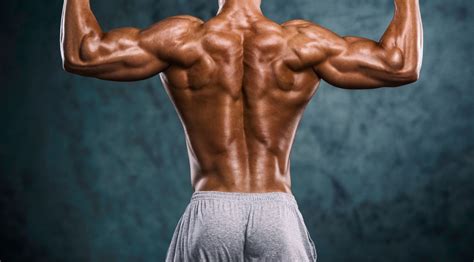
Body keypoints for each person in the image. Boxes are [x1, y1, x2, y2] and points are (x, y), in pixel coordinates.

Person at [60, 0, 423, 260]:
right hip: (276, 215)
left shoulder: (184, 40)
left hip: (212, 213)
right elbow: (401, 64)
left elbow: (82, 54)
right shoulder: (301, 44)